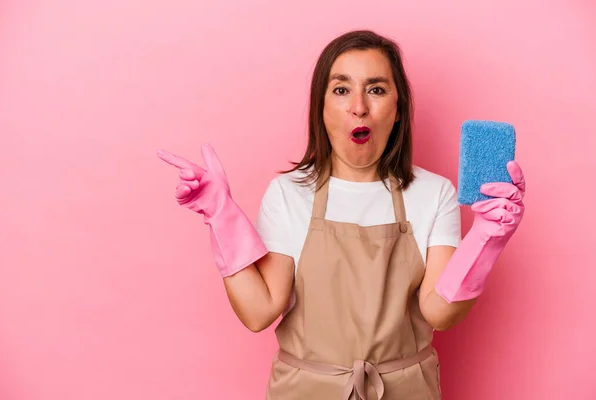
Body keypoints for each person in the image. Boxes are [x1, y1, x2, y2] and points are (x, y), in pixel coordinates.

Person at [157, 29, 525, 400]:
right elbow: (259, 311)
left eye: (377, 89)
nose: (359, 106)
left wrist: (487, 239)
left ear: (398, 111)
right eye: (341, 89)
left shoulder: (433, 193)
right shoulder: (290, 193)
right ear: (322, 106)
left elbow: (441, 312)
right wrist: (221, 217)